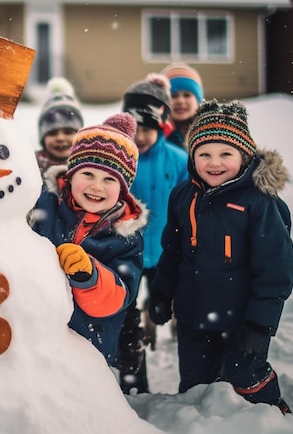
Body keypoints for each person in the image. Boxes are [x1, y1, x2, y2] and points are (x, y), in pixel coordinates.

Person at [148, 99, 293, 414]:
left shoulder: (258, 203)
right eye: (204, 154)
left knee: (245, 377)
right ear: (193, 157)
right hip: (192, 316)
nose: (214, 163)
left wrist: (259, 324)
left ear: (244, 156)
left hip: (242, 318)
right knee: (197, 388)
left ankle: (271, 413)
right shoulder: (183, 196)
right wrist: (161, 292)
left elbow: (275, 270)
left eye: (225, 154)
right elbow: (172, 252)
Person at [32, 114, 148, 365]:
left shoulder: (126, 237)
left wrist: (89, 276)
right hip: (34, 337)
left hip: (84, 348)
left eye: (109, 179)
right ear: (71, 174)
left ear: (123, 189)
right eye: (88, 174)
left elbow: (116, 300)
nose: (97, 186)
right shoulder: (43, 206)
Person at [115, 73, 189, 394]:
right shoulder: (119, 160)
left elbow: (189, 206)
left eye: (148, 128)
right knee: (125, 320)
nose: (141, 136)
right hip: (126, 251)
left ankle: (194, 382)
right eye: (135, 128)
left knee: (171, 308)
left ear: (161, 126)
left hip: (165, 252)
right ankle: (134, 386)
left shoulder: (179, 160)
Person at [34, 77, 84, 176]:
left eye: (68, 132)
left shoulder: (89, 168)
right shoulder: (31, 167)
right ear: (43, 138)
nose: (60, 138)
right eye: (52, 133)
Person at [160, 62, 204, 150]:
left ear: (198, 101)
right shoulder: (155, 136)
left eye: (187, 95)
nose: (180, 101)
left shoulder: (208, 133)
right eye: (174, 96)